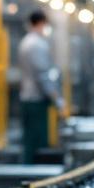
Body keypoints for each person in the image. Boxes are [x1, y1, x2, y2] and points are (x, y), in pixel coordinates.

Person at [18, 9, 66, 162]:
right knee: (37, 143)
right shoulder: (37, 45)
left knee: (29, 140)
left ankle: (28, 171)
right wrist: (57, 99)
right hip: (36, 100)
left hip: (28, 98)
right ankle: (32, 177)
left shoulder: (26, 42)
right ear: (40, 23)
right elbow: (43, 76)